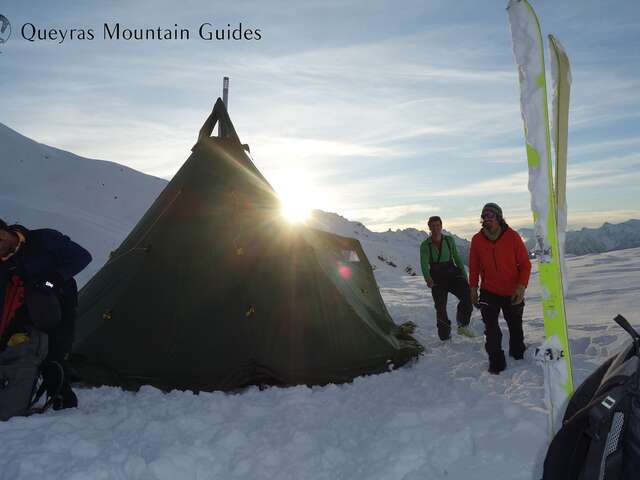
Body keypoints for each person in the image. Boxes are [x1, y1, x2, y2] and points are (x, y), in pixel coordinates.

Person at [0, 219, 92, 409]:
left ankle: (63, 399)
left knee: (54, 352)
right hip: (22, 308)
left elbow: (82, 256)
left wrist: (53, 279)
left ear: (4, 233)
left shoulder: (43, 239)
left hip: (60, 303)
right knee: (16, 348)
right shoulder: (4, 263)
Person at [468, 203, 531, 374]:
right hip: (489, 291)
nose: (486, 220)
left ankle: (518, 354)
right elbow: (474, 267)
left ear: (499, 217)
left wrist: (521, 286)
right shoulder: (477, 240)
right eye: (484, 216)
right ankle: (496, 363)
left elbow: (525, 264)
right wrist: (473, 288)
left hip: (512, 291)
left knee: (515, 327)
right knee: (491, 329)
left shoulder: (512, 236)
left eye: (490, 216)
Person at [420, 216, 474, 341]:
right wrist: (428, 279)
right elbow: (423, 264)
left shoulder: (449, 240)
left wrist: (464, 275)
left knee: (467, 295)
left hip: (452, 273)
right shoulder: (425, 245)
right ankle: (444, 335)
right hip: (436, 277)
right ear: (429, 227)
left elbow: (457, 258)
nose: (435, 228)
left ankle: (462, 325)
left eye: (437, 225)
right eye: (433, 226)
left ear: (441, 226)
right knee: (440, 307)